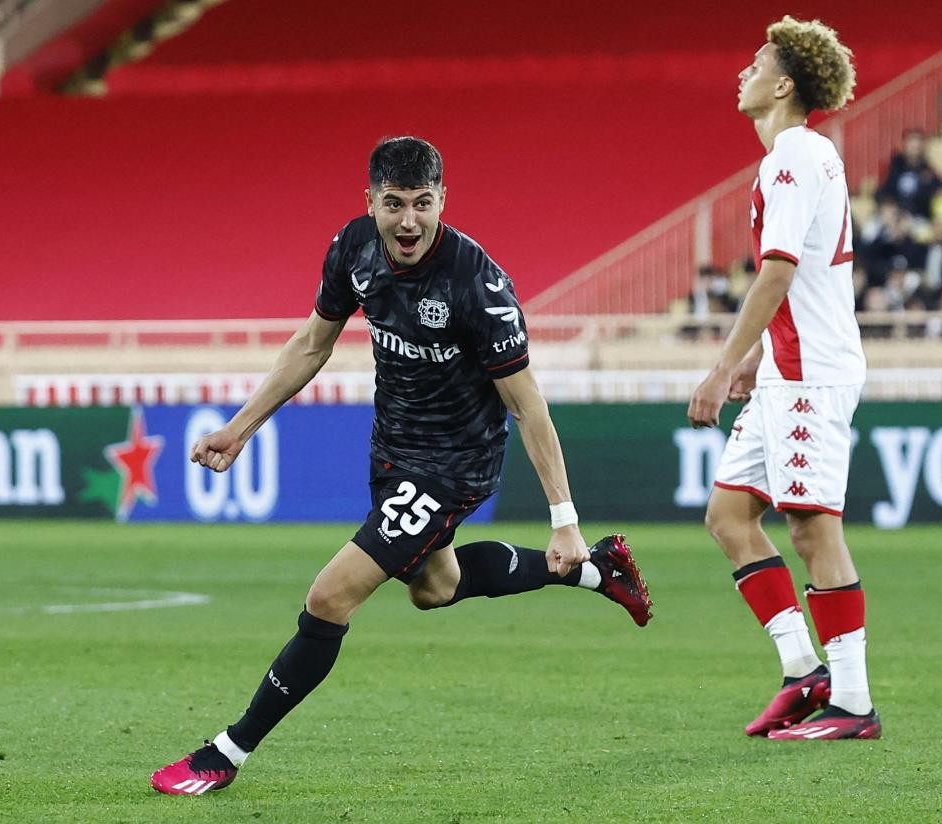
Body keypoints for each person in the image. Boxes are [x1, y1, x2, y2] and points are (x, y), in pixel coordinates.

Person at [150, 136, 653, 795]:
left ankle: (227, 751)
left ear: (443, 199)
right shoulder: (352, 248)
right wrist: (240, 428)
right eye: (394, 204)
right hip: (393, 449)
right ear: (371, 202)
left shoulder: (478, 283)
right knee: (434, 588)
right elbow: (311, 344)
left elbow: (529, 408)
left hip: (456, 462)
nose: (408, 220)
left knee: (330, 596)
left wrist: (563, 517)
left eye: (422, 203)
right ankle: (594, 569)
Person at [687, 17, 880, 740]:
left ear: (785, 84)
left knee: (811, 527)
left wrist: (723, 363)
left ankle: (854, 705)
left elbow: (779, 271)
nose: (745, 73)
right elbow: (799, 283)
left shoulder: (793, 157)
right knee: (730, 517)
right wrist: (760, 362)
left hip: (811, 377)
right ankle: (806, 671)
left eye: (757, 63)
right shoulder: (805, 156)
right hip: (786, 373)